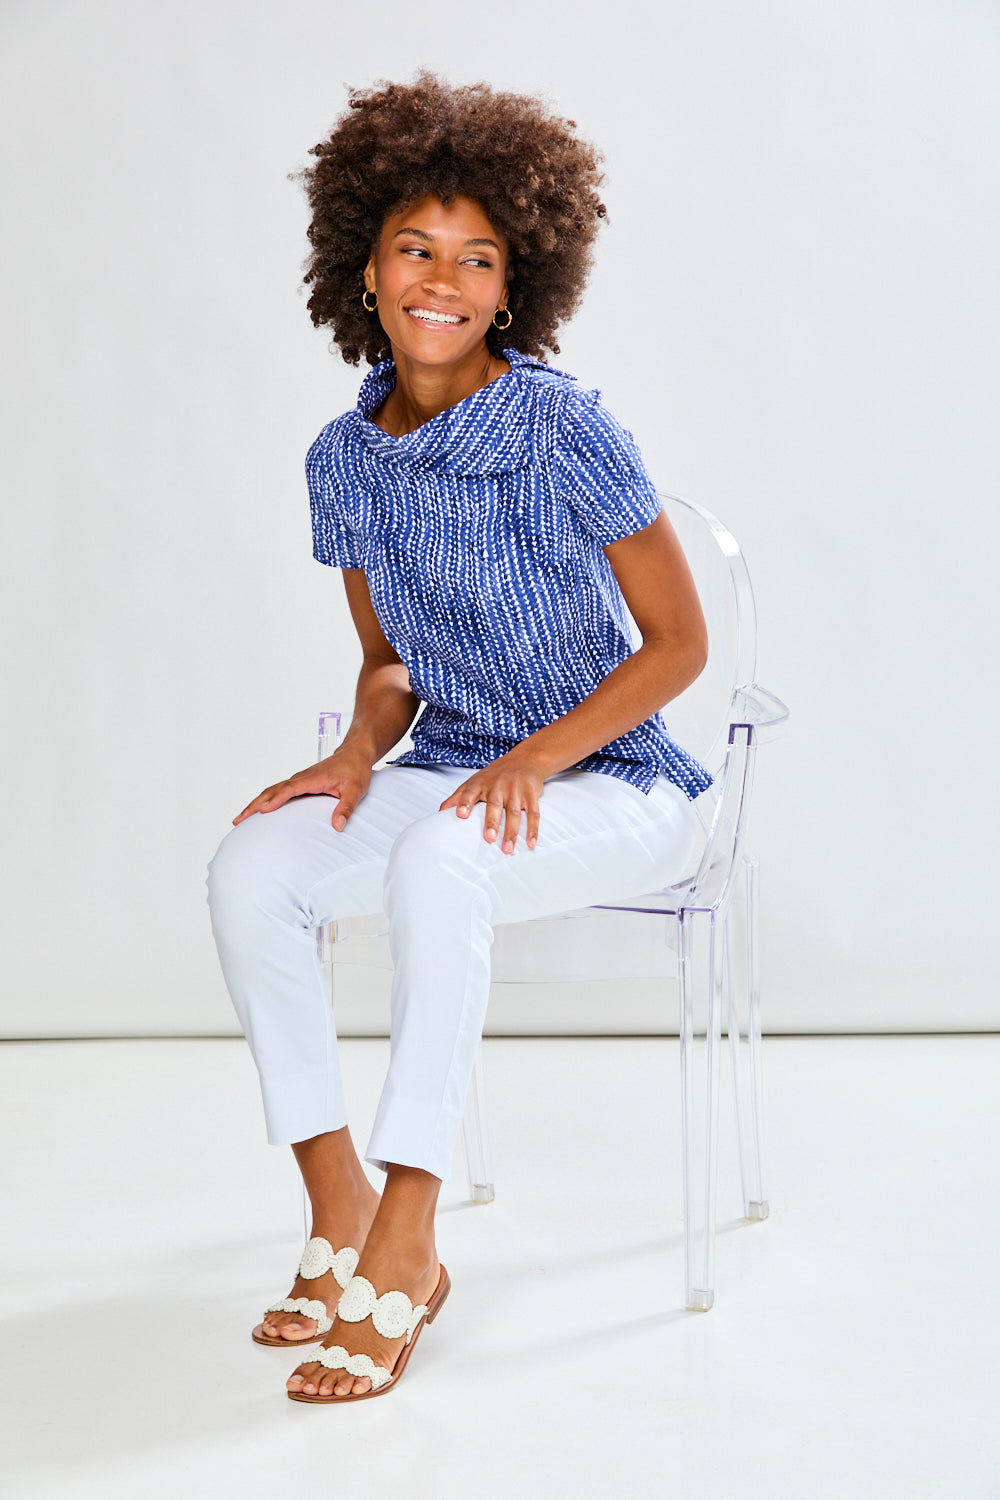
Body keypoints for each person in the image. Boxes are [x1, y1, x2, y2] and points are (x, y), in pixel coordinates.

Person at [207, 72, 712, 1405]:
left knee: (441, 859)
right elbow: (386, 664)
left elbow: (678, 647)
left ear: (512, 287)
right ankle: (336, 1212)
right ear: (364, 271)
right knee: (253, 868)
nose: (444, 278)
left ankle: (411, 1239)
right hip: (445, 770)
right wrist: (353, 757)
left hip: (614, 777)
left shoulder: (564, 429)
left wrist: (537, 758)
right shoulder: (344, 456)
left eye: (477, 258)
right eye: (415, 250)